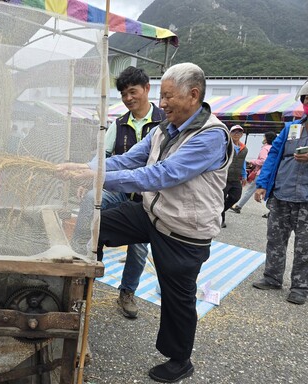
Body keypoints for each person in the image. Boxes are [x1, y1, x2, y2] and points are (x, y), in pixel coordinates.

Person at [58, 62, 232, 383]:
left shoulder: (211, 136)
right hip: (151, 214)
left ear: (193, 95)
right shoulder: (163, 129)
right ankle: (80, 280)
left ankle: (180, 360)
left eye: (168, 97)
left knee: (177, 295)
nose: (162, 104)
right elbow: (126, 159)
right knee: (96, 223)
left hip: (184, 232)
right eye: (161, 96)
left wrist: (97, 178)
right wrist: (84, 166)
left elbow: (160, 175)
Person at [70, 66, 165, 319]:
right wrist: (88, 176)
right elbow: (104, 155)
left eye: (132, 92)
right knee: (92, 200)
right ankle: (81, 255)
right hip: (120, 190)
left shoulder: (164, 122)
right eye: (123, 94)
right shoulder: (119, 123)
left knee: (138, 247)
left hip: (146, 196)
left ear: (146, 89)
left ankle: (127, 293)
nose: (128, 98)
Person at [252, 85, 308, 305]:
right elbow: (274, 155)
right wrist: (262, 184)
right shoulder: (291, 129)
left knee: (305, 247)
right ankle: (272, 277)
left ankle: (300, 287)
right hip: (282, 194)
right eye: (306, 99)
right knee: (275, 240)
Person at [230, 131, 277, 213]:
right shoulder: (275, 148)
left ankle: (238, 206)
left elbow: (264, 161)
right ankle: (272, 211)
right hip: (272, 173)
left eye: (264, 137)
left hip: (261, 173)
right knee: (269, 191)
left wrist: (252, 161)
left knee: (250, 190)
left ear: (267, 139)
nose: (263, 139)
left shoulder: (265, 148)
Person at [221, 125, 248, 227]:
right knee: (221, 198)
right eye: (234, 132)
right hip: (224, 176)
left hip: (236, 177)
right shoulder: (225, 145)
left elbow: (243, 162)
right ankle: (221, 219)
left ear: (242, 134)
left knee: (235, 197)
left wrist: (244, 175)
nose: (236, 134)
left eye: (239, 132)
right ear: (230, 133)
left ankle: (219, 211)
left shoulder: (244, 149)